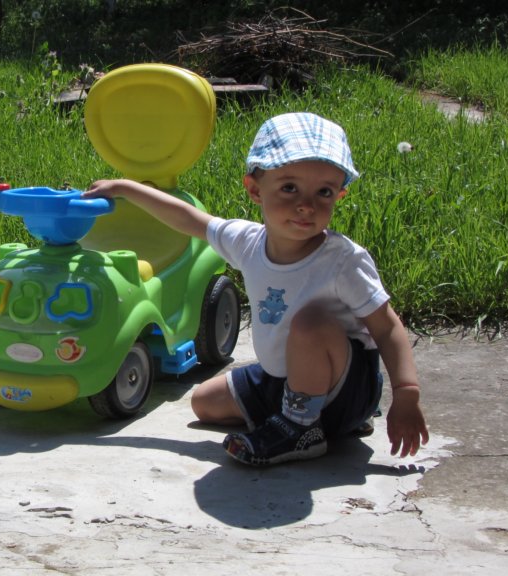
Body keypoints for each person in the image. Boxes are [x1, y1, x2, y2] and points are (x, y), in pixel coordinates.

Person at [83, 112, 429, 466]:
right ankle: (305, 416)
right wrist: (125, 188)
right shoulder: (247, 242)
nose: (306, 204)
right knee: (204, 403)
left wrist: (406, 394)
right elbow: (187, 219)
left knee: (310, 323)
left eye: (323, 192)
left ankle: (301, 429)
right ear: (254, 189)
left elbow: (387, 327)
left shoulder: (342, 261)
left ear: (339, 195)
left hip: (346, 389)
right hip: (283, 378)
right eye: (289, 188)